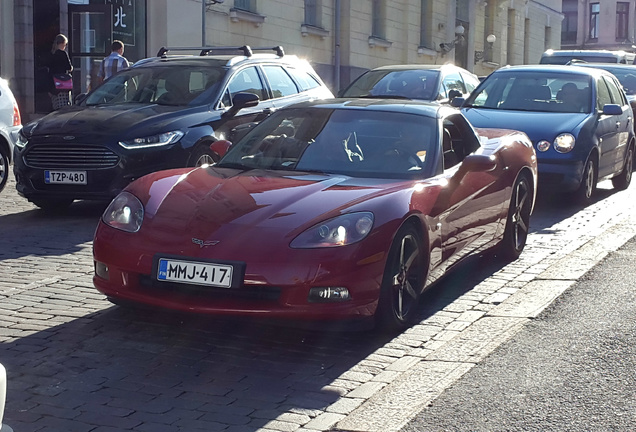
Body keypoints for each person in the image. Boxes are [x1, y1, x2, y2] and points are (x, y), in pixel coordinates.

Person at [46, 34, 73, 110]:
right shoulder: (63, 54)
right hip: (63, 84)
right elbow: (69, 67)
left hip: (54, 85)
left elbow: (49, 71)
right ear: (62, 43)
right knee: (65, 107)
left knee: (56, 107)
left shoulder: (52, 54)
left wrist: (49, 88)